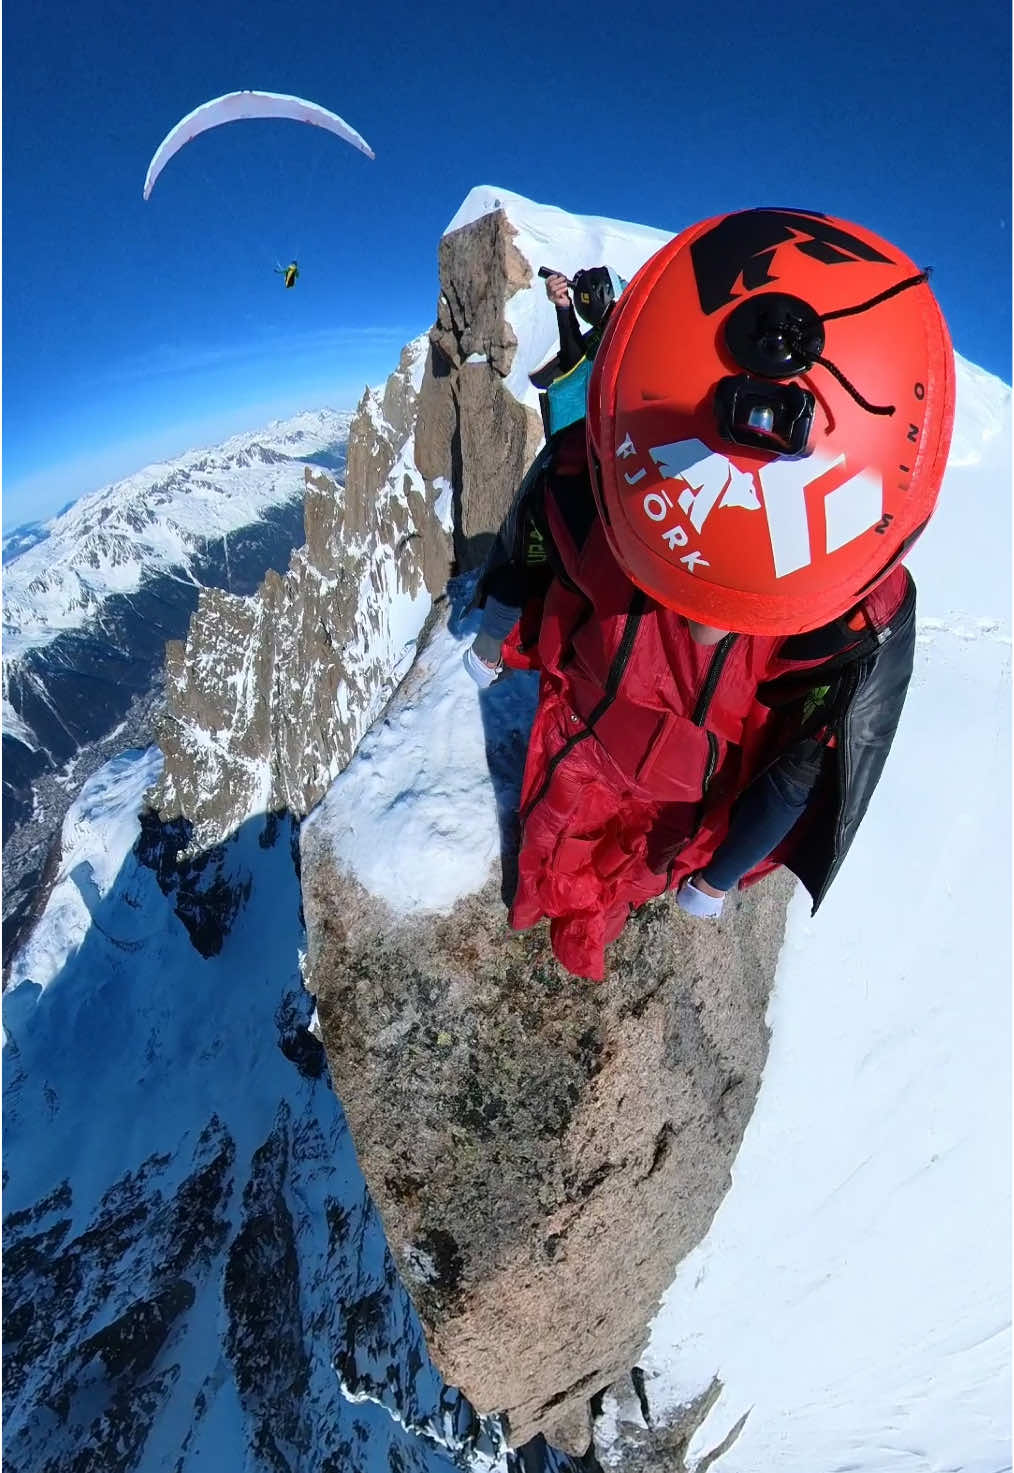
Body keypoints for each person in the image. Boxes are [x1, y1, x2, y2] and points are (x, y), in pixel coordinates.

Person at [464, 207, 954, 981]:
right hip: (606, 739)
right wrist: (719, 875)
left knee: (584, 860)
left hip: (667, 775)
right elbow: (542, 524)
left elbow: (807, 762)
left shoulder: (852, 612)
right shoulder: (594, 473)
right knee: (560, 858)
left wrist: (722, 867)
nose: (697, 628)